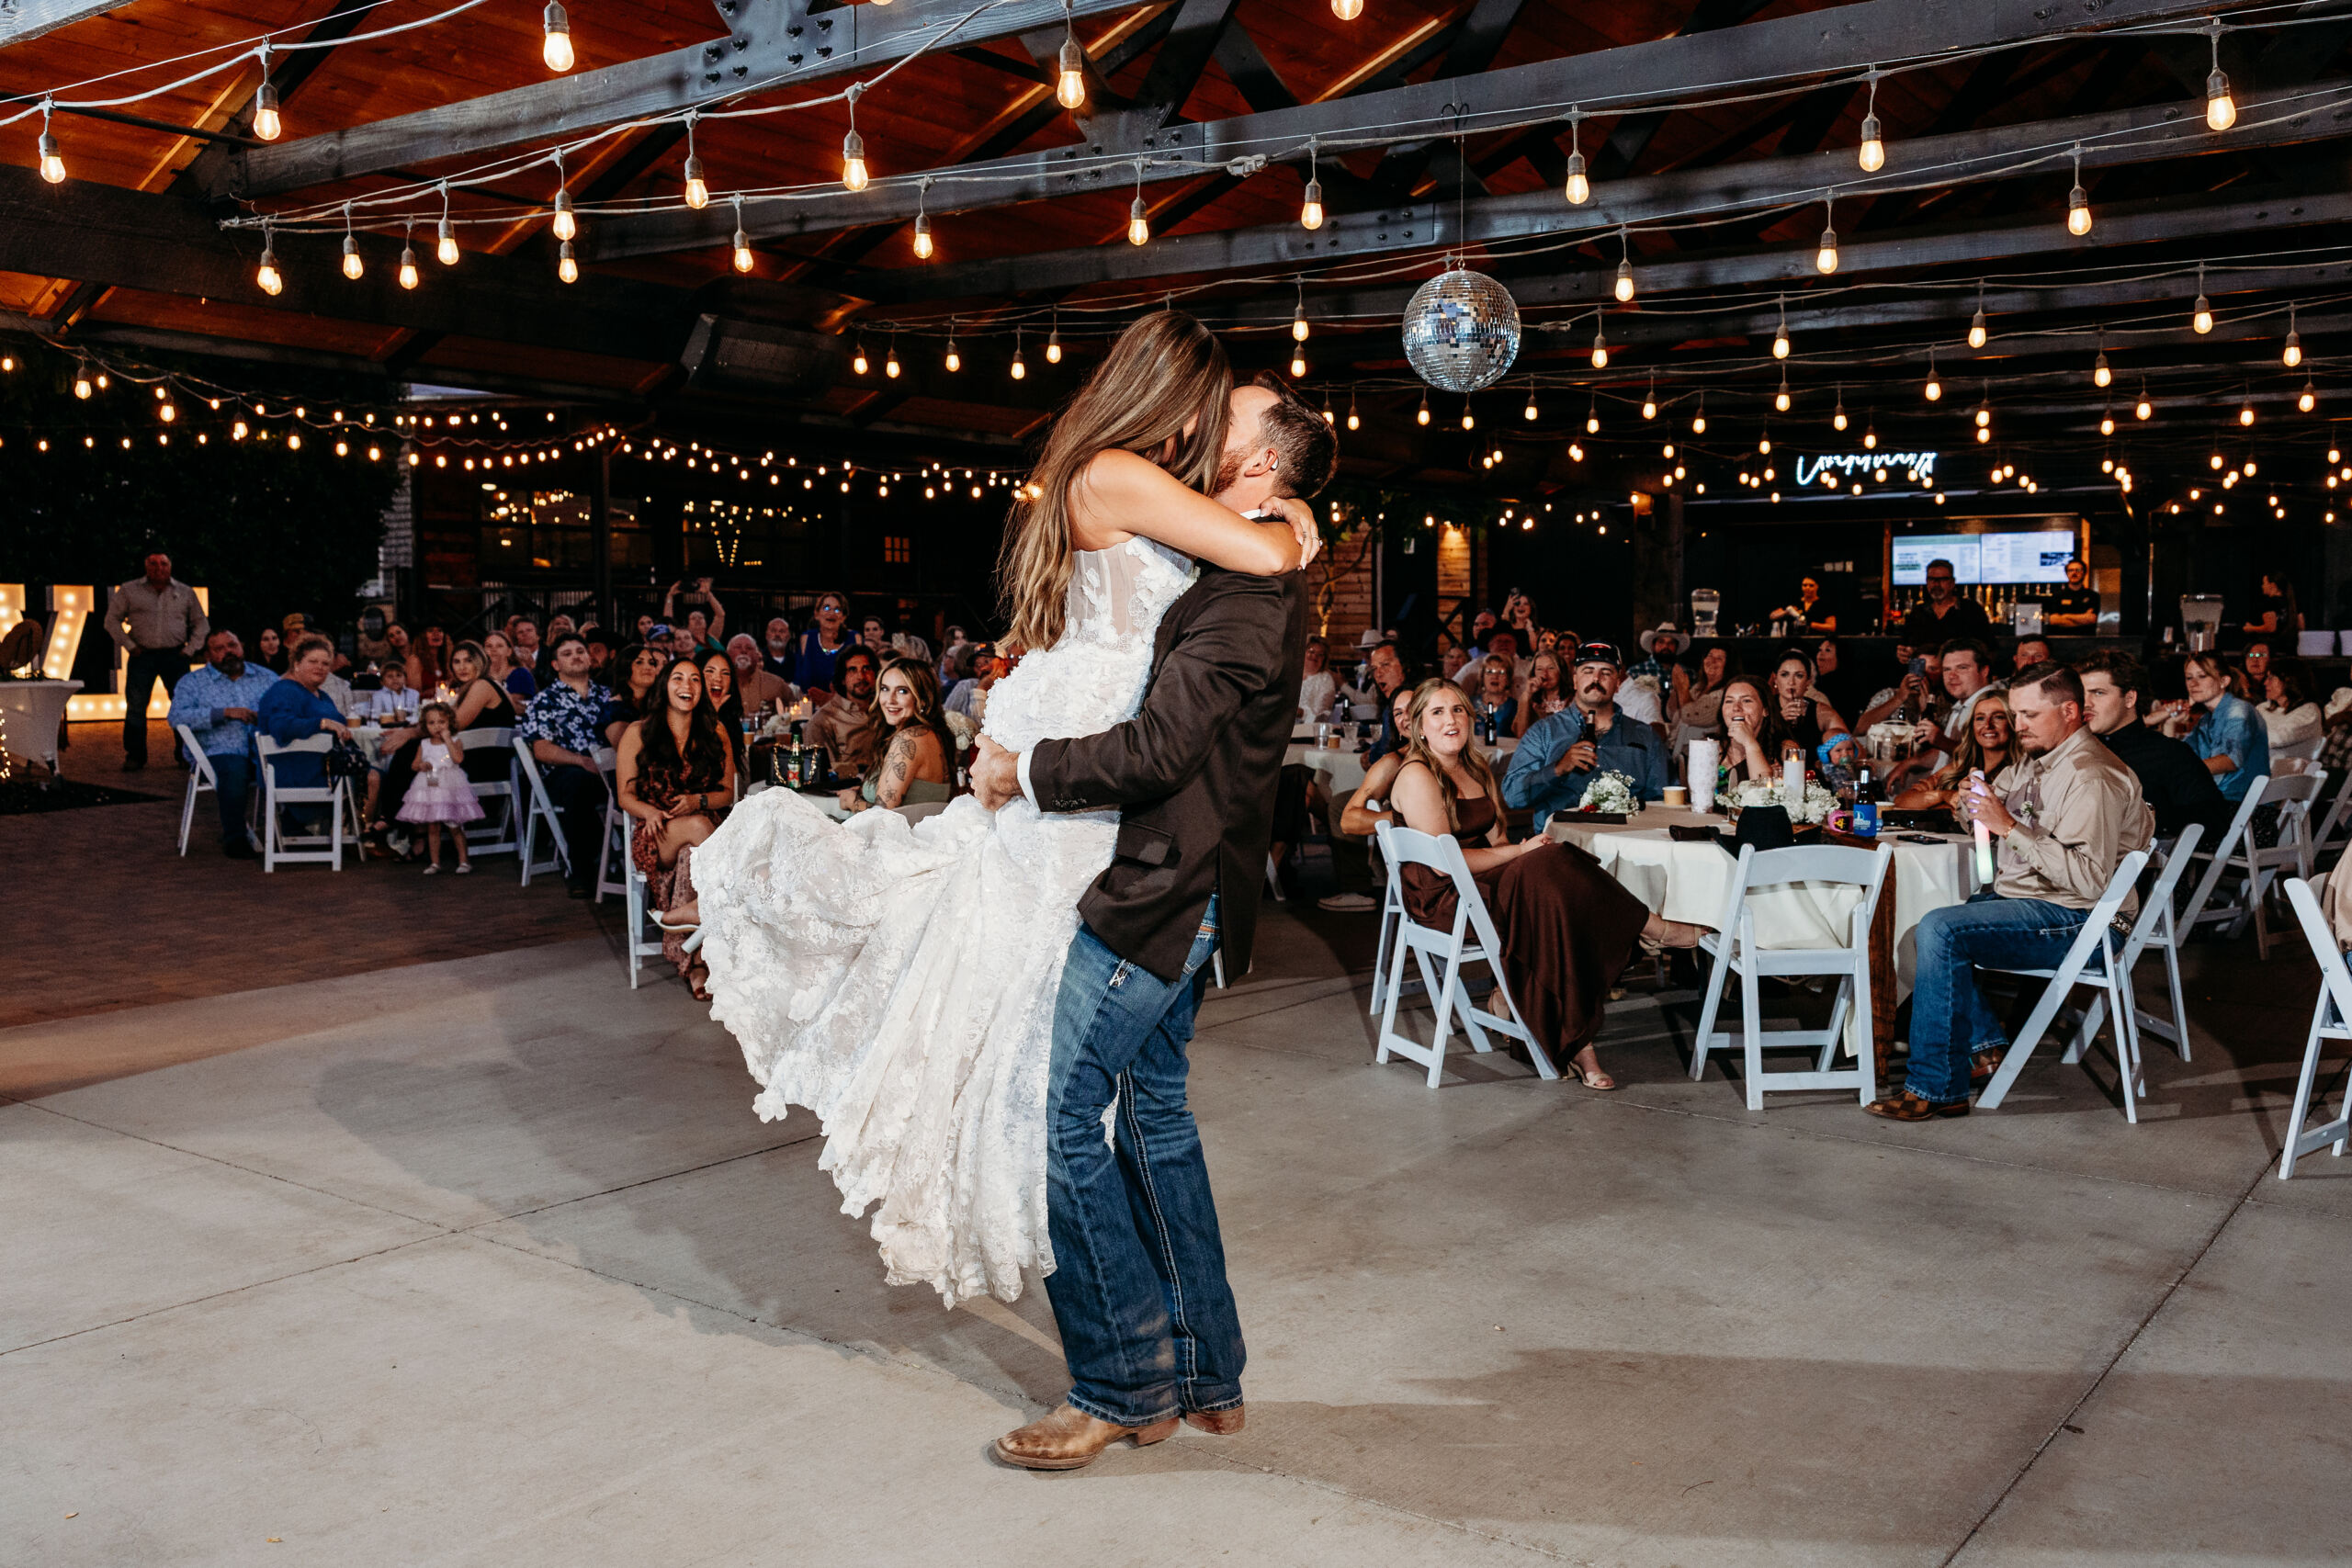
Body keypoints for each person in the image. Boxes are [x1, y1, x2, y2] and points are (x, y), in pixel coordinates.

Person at [680, 315, 1329, 1441]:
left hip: (1142, 867)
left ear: (1258, 457)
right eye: (1206, 405)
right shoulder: (1140, 487)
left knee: (1058, 1118)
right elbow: (1254, 561)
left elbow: (1172, 729)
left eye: (1224, 424)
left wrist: (1023, 765)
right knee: (1141, 1116)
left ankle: (1132, 1384)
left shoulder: (1231, 554)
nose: (1204, 432)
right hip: (1122, 848)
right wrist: (1290, 519)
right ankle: (1198, 1375)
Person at [1867, 662, 2154, 1120]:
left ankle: (1936, 1087)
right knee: (1920, 927)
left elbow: (2088, 880)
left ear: (2070, 711)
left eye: (2029, 716)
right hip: (2036, 902)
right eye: (2014, 714)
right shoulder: (2039, 759)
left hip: (2085, 920)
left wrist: (2007, 825)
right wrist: (1971, 802)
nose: (2018, 727)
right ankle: (1982, 1050)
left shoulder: (2089, 776)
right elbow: (1988, 812)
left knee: (1940, 930)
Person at [1395, 680, 1700, 1092]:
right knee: (1552, 872)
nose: (1451, 720)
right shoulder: (1417, 775)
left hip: (1480, 882)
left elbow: (1496, 843)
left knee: (1553, 888)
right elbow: (1448, 866)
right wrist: (1521, 854)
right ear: (1419, 727)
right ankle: (1653, 930)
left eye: (1458, 710)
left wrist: (1519, 855)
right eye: (1437, 712)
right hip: (1444, 897)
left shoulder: (1475, 766)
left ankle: (1568, 1035)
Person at [619, 657, 736, 992]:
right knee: (698, 831)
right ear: (664, 686)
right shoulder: (638, 732)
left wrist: (697, 800)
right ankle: (706, 913)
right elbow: (625, 796)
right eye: (678, 678)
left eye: (695, 679)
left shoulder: (715, 731)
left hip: (703, 831)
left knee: (692, 856)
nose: (688, 686)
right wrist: (650, 812)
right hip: (657, 831)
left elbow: (726, 793)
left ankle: (696, 962)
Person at [1501, 641, 1669, 829]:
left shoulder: (1645, 736)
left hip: (1626, 841)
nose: (1596, 678)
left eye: (1606, 672)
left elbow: (1663, 802)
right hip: (1560, 844)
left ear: (1617, 683)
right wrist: (1558, 769)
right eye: (1588, 671)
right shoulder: (1544, 732)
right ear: (1575, 680)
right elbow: (1513, 797)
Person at [2076, 651, 2233, 839]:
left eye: (2098, 693)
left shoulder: (2168, 753)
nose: (2085, 703)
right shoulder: (2077, 751)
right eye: (2081, 694)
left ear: (2129, 698)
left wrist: (2149, 817)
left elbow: (2215, 820)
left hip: (2143, 862)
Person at [517, 632, 616, 897]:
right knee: (577, 782)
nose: (575, 656)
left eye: (580, 651)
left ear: (590, 658)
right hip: (565, 773)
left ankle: (623, 861)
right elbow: (542, 749)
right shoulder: (545, 700)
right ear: (555, 664)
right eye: (567, 653)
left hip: (609, 771)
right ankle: (582, 872)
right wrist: (580, 761)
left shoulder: (608, 696)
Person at [167, 629, 277, 859]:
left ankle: (294, 831)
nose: (228, 652)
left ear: (242, 647)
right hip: (217, 753)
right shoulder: (193, 682)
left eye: (232, 645)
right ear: (208, 655)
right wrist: (223, 713)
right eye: (219, 649)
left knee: (294, 761)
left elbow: (287, 707)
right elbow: (176, 718)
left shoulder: (266, 677)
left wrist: (265, 716)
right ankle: (235, 838)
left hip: (263, 749)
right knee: (234, 768)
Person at [106, 550, 209, 770]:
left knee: (183, 705)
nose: (158, 568)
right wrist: (130, 646)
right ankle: (135, 755)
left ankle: (185, 753)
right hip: (142, 655)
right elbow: (111, 621)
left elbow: (201, 623)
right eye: (153, 563)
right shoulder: (129, 590)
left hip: (176, 655)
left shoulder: (185, 592)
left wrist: (190, 650)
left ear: (170, 566)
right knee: (136, 707)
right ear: (145, 566)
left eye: (163, 563)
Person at [840, 657, 956, 814]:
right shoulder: (932, 734)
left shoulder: (909, 739)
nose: (890, 700)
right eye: (885, 689)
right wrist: (865, 790)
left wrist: (851, 800)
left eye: (902, 691)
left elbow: (883, 817)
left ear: (922, 699)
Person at [2165, 650, 2271, 803]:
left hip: (2242, 810)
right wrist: (2170, 723)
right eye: (2189, 677)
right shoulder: (2207, 719)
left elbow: (2229, 760)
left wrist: (2180, 770)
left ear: (2224, 681)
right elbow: (2177, 757)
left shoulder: (2238, 711)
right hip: (2221, 803)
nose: (2193, 684)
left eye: (2202, 676)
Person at [256, 635, 352, 795]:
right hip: (297, 772)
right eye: (313, 662)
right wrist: (321, 723)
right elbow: (281, 726)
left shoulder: (321, 695)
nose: (320, 667)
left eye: (325, 663)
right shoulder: (283, 691)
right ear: (297, 664)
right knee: (373, 776)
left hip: (326, 767)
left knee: (378, 769)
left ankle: (360, 819)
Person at [399, 702, 485, 874]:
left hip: (450, 785)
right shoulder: (424, 744)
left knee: (454, 825)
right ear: (425, 725)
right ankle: (435, 862)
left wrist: (447, 739)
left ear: (449, 723)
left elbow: (458, 759)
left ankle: (463, 861)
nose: (437, 726)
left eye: (441, 722)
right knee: (433, 825)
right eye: (432, 723)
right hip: (431, 783)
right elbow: (414, 765)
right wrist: (423, 765)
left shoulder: (454, 741)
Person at [1892, 691, 2013, 811]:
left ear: (2013, 723)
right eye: (1980, 718)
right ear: (1972, 727)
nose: (1988, 725)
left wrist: (1934, 806)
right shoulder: (1960, 767)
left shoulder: (2018, 773)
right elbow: (1901, 801)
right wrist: (1944, 795)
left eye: (1998, 717)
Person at [809, 644, 883, 782]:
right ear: (842, 679)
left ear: (875, 675)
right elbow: (820, 772)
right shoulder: (823, 720)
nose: (861, 677)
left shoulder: (885, 711)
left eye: (866, 669)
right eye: (852, 670)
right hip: (843, 793)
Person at [1714, 674, 1799, 787]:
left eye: (1746, 701)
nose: (1736, 708)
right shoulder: (1711, 747)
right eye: (1729, 701)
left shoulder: (1785, 749)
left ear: (1765, 710)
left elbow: (1765, 795)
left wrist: (1750, 743)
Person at [1769, 648, 1849, 755]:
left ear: (1808, 682)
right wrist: (1779, 722)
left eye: (1799, 676)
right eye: (1784, 675)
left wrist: (1827, 754)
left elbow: (1851, 747)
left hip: (1810, 771)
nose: (1791, 682)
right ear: (1775, 679)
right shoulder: (1764, 708)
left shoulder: (1820, 712)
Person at [1900, 557, 1993, 644]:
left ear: (1952, 583)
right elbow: (1907, 646)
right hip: (1925, 661)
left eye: (1942, 580)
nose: (1936, 584)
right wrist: (1903, 655)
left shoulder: (1971, 610)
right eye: (1932, 579)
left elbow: (1989, 650)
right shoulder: (1918, 612)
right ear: (1926, 582)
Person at [602, 641, 667, 746]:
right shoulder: (614, 709)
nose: (647, 667)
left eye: (651, 663)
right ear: (625, 667)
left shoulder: (658, 703)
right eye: (639, 662)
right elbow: (628, 749)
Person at [793, 591, 854, 693]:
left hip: (844, 706)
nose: (831, 613)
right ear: (817, 614)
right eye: (826, 608)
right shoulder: (807, 638)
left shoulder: (854, 638)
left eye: (837, 609)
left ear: (843, 617)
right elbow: (798, 681)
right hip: (809, 705)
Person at [2258, 657, 2323, 752]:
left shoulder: (2309, 712)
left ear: (2289, 681)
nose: (2265, 683)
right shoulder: (2263, 708)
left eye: (2271, 678)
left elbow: (2278, 738)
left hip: (2288, 766)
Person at [726, 633, 796, 716]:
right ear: (727, 653)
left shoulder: (776, 684)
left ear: (757, 655)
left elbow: (794, 711)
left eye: (749, 648)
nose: (743, 651)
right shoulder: (719, 683)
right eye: (738, 647)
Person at [1516, 649, 1567, 739]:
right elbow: (1521, 734)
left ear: (1561, 671)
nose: (1545, 674)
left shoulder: (1573, 699)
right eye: (1539, 669)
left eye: (1551, 668)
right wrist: (1527, 694)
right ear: (1533, 673)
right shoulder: (1530, 700)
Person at [945, 643, 1002, 723]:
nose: (982, 668)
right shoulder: (966, 686)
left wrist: (980, 690)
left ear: (1003, 662)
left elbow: (984, 727)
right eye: (977, 665)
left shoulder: (1010, 690)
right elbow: (946, 716)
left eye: (986, 661)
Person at [1767, 574, 1838, 636]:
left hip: (1815, 641)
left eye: (1811, 585)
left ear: (1817, 587)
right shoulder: (1794, 602)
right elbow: (1772, 616)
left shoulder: (1824, 604)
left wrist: (1810, 624)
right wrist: (1787, 612)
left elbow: (1831, 627)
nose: (1807, 588)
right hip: (1794, 640)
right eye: (1805, 585)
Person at [2042, 558, 2099, 629]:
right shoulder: (2057, 596)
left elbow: (2091, 619)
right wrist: (2082, 619)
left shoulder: (2093, 596)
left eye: (2078, 570)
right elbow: (2053, 620)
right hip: (2060, 639)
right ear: (2067, 573)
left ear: (2084, 573)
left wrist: (2066, 616)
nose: (2074, 573)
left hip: (2086, 639)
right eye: (2071, 570)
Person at [2243, 570, 2299, 640]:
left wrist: (2251, 628)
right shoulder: (2290, 601)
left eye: (2264, 583)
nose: (2262, 586)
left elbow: (2270, 628)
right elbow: (2300, 625)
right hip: (2287, 643)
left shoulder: (2270, 602)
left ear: (2273, 586)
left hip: (2273, 644)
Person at [1472, 651, 1517, 738]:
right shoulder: (1470, 703)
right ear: (1482, 676)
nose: (1495, 676)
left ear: (1508, 679)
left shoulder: (1515, 707)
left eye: (1501, 672)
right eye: (1489, 671)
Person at [482, 630, 536, 700]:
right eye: (489, 646)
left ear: (509, 652)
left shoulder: (521, 674)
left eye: (499, 646)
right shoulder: (480, 674)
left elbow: (515, 705)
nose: (493, 649)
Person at [1295, 634, 1338, 722]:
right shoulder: (1291, 673)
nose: (1314, 656)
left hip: (1309, 730)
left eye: (1320, 654)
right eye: (1311, 651)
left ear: (1324, 659)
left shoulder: (1326, 679)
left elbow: (1320, 715)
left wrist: (1301, 713)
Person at [761, 615, 797, 682]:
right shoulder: (758, 660)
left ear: (788, 637)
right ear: (766, 635)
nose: (777, 634)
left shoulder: (796, 661)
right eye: (773, 631)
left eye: (782, 631)